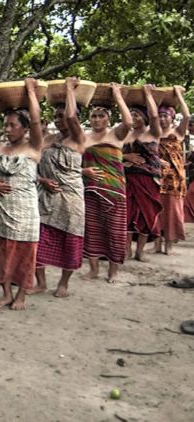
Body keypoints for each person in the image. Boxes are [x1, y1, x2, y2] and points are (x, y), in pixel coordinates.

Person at [0, 78, 43, 311]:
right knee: (2, 252)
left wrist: (30, 92)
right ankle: (6, 293)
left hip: (25, 213)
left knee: (25, 254)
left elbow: (37, 120)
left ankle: (21, 296)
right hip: (0, 211)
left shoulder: (33, 147)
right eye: (5, 125)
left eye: (13, 125)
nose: (7, 130)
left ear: (26, 128)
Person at [33, 77, 87, 298]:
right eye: (55, 116)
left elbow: (72, 116)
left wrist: (69, 90)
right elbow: (30, 167)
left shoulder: (79, 138)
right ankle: (41, 282)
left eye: (62, 115)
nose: (59, 119)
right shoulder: (47, 140)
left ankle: (63, 283)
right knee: (37, 239)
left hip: (71, 198)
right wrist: (42, 180)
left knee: (71, 239)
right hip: (46, 196)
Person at [82, 83, 132, 283]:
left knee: (115, 231)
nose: (97, 119)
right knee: (92, 229)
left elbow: (128, 122)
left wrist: (118, 96)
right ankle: (94, 269)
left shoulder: (116, 134)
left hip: (115, 191)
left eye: (101, 116)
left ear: (108, 118)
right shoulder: (84, 138)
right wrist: (83, 172)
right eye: (94, 116)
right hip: (91, 190)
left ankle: (113, 271)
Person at [122, 85, 162, 262]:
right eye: (131, 114)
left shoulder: (152, 133)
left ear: (144, 118)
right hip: (129, 179)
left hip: (148, 181)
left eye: (137, 114)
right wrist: (125, 155)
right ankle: (126, 250)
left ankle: (140, 251)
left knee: (147, 215)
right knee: (128, 215)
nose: (133, 117)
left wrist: (148, 95)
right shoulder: (126, 135)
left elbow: (154, 116)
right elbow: (114, 153)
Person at [154, 86, 189, 254]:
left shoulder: (178, 132)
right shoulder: (152, 134)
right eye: (159, 116)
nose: (162, 119)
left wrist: (179, 97)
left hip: (174, 180)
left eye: (165, 116)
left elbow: (187, 116)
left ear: (172, 118)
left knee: (172, 212)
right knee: (157, 210)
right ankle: (157, 245)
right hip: (156, 177)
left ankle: (168, 245)